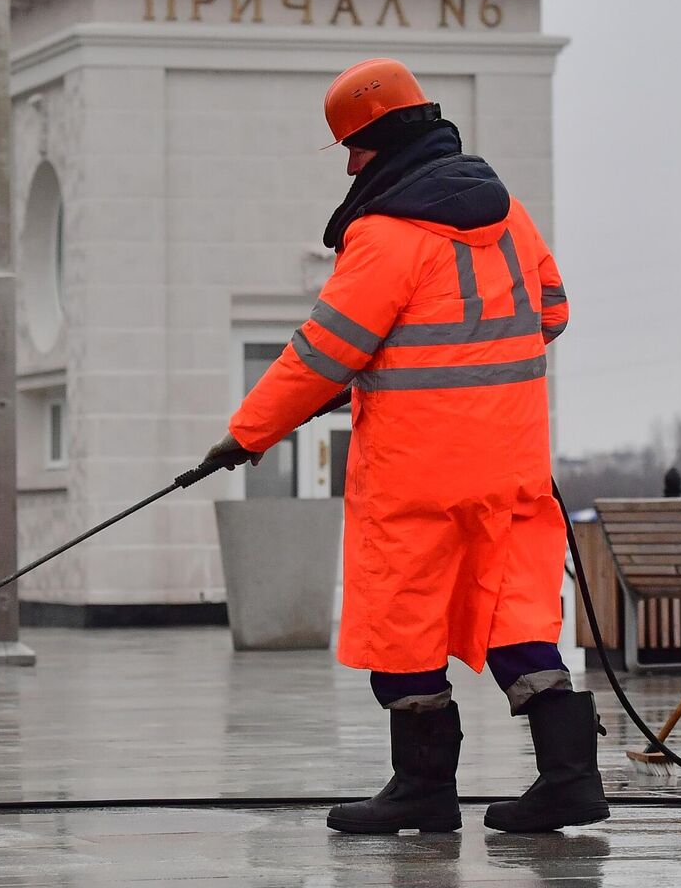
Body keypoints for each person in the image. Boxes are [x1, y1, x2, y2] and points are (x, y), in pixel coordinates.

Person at [203, 58, 607, 836]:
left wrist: (246, 434)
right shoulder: (511, 215)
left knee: (403, 617)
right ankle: (569, 778)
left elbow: (325, 351)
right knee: (514, 612)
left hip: (417, 471)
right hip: (513, 461)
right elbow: (551, 313)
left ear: (379, 142)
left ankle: (422, 790)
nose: (350, 164)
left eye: (352, 148)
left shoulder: (387, 236)